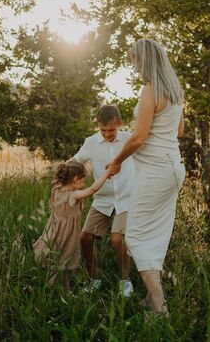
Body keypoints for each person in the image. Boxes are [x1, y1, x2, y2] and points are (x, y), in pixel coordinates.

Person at [107, 39, 185, 316]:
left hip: (154, 171)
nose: (135, 67)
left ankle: (159, 306)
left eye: (135, 61)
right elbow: (178, 132)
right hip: (174, 168)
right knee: (157, 234)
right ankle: (152, 297)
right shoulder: (175, 91)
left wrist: (117, 160)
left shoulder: (150, 91)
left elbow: (139, 137)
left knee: (137, 236)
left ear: (145, 61)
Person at [74, 105, 135, 297]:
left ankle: (125, 282)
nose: (107, 134)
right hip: (102, 198)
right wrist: (61, 176)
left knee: (117, 238)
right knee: (85, 237)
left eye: (111, 130)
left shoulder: (129, 139)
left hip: (127, 197)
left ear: (119, 124)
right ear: (98, 125)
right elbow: (76, 161)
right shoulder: (90, 142)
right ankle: (94, 280)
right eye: (103, 130)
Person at [33, 159, 110, 292]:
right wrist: (107, 173)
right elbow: (93, 189)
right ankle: (58, 292)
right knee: (64, 260)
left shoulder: (57, 189)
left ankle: (63, 290)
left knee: (55, 259)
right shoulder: (73, 195)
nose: (83, 183)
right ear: (75, 179)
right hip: (66, 235)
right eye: (82, 180)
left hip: (53, 231)